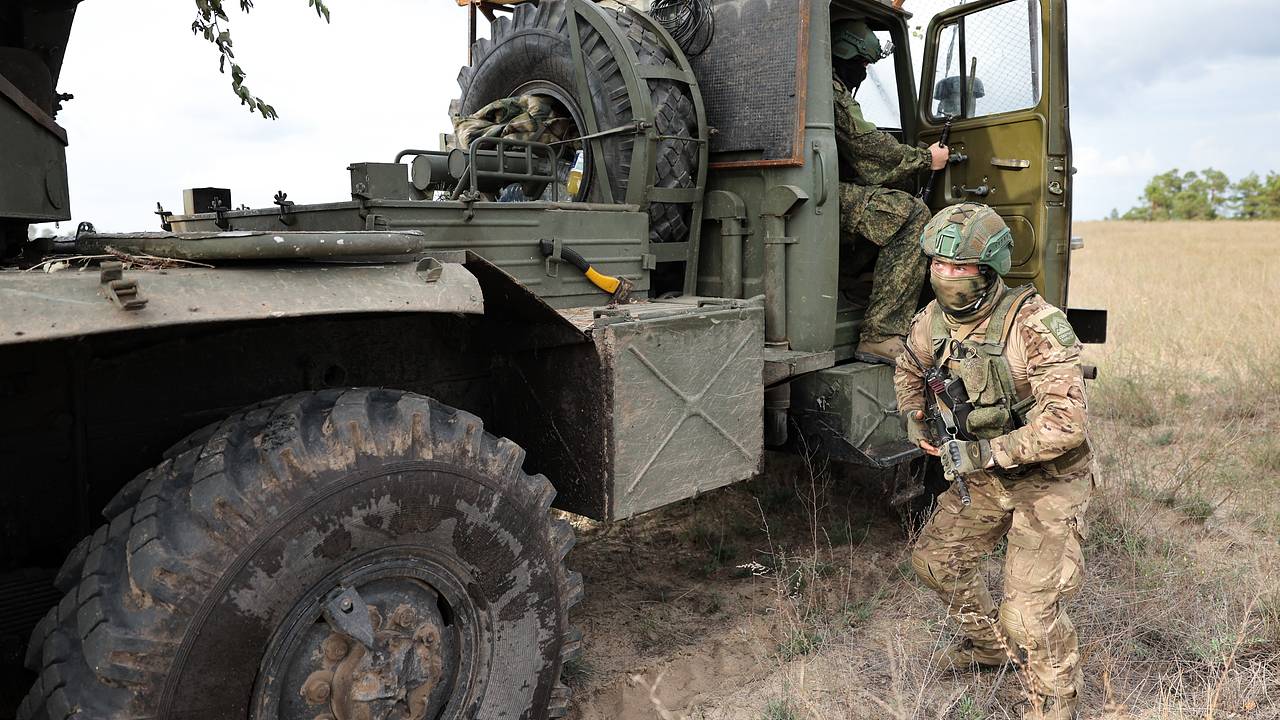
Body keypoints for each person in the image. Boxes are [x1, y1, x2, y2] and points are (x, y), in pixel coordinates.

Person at [893, 203, 1093, 720]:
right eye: (937, 265)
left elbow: (1065, 427)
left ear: (988, 270)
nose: (946, 276)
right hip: (982, 479)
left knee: (1028, 616)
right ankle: (988, 648)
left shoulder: (1036, 324)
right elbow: (909, 367)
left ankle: (1055, 706)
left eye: (959, 267)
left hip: (1047, 481)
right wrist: (917, 417)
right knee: (935, 563)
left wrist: (987, 451)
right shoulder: (931, 321)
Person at [831, 19, 949, 364]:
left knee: (891, 195)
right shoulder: (832, 93)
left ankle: (856, 288)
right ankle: (880, 335)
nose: (864, 71)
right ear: (845, 55)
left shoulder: (830, 87)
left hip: (815, 187)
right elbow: (868, 147)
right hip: (818, 191)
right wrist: (926, 158)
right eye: (862, 63)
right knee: (910, 216)